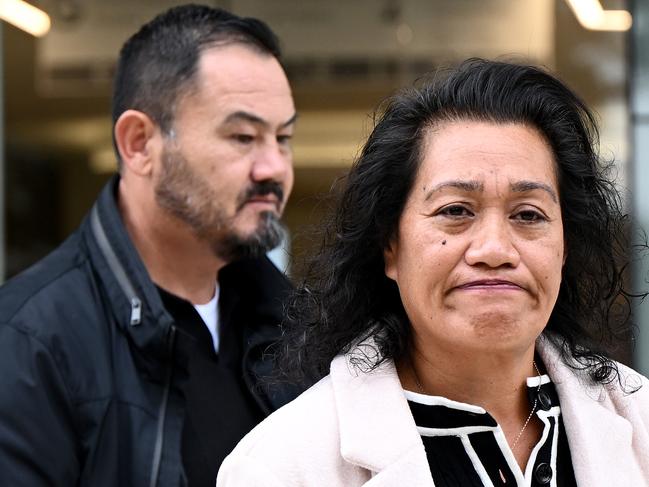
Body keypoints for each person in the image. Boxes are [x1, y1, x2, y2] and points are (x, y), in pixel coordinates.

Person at [217, 59, 649, 487]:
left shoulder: (639, 420)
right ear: (390, 246)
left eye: (528, 215)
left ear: (564, 247)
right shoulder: (281, 465)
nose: (494, 249)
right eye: (455, 211)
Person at [0, 4, 301, 486]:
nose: (274, 168)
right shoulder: (26, 346)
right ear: (139, 143)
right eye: (243, 136)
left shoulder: (298, 330)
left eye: (283, 138)